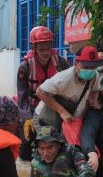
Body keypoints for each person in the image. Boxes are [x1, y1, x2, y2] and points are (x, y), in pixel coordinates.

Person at [17, 26, 69, 160]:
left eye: (48, 48)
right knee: (26, 144)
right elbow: (22, 96)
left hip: (54, 107)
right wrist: (27, 118)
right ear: (33, 48)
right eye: (41, 49)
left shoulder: (61, 63)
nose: (46, 52)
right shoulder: (25, 67)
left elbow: (69, 87)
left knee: (57, 141)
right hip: (33, 106)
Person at [34, 45, 102, 132]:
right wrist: (62, 111)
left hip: (68, 120)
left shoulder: (94, 75)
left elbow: (94, 92)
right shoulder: (64, 78)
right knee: (49, 144)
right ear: (76, 64)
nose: (89, 70)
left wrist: (93, 103)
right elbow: (40, 91)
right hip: (45, 118)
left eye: (93, 67)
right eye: (86, 67)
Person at [28, 126, 96, 177]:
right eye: (41, 148)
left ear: (59, 145)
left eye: (49, 148)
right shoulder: (35, 163)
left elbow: (89, 174)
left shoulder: (71, 152)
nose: (45, 153)